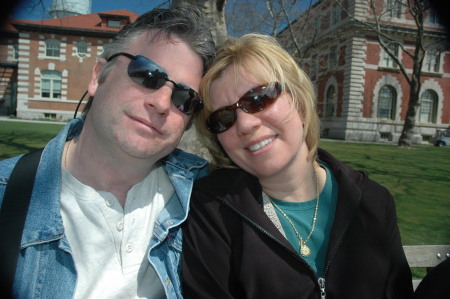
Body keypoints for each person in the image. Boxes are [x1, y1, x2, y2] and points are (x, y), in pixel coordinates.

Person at [0, 5, 215, 298]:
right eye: (148, 75)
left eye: (184, 98)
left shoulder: (207, 195)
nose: (162, 104)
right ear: (98, 75)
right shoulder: (8, 197)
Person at [181, 34, 413, 298]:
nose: (245, 125)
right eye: (223, 118)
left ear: (300, 104)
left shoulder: (373, 201)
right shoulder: (211, 212)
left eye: (258, 98)